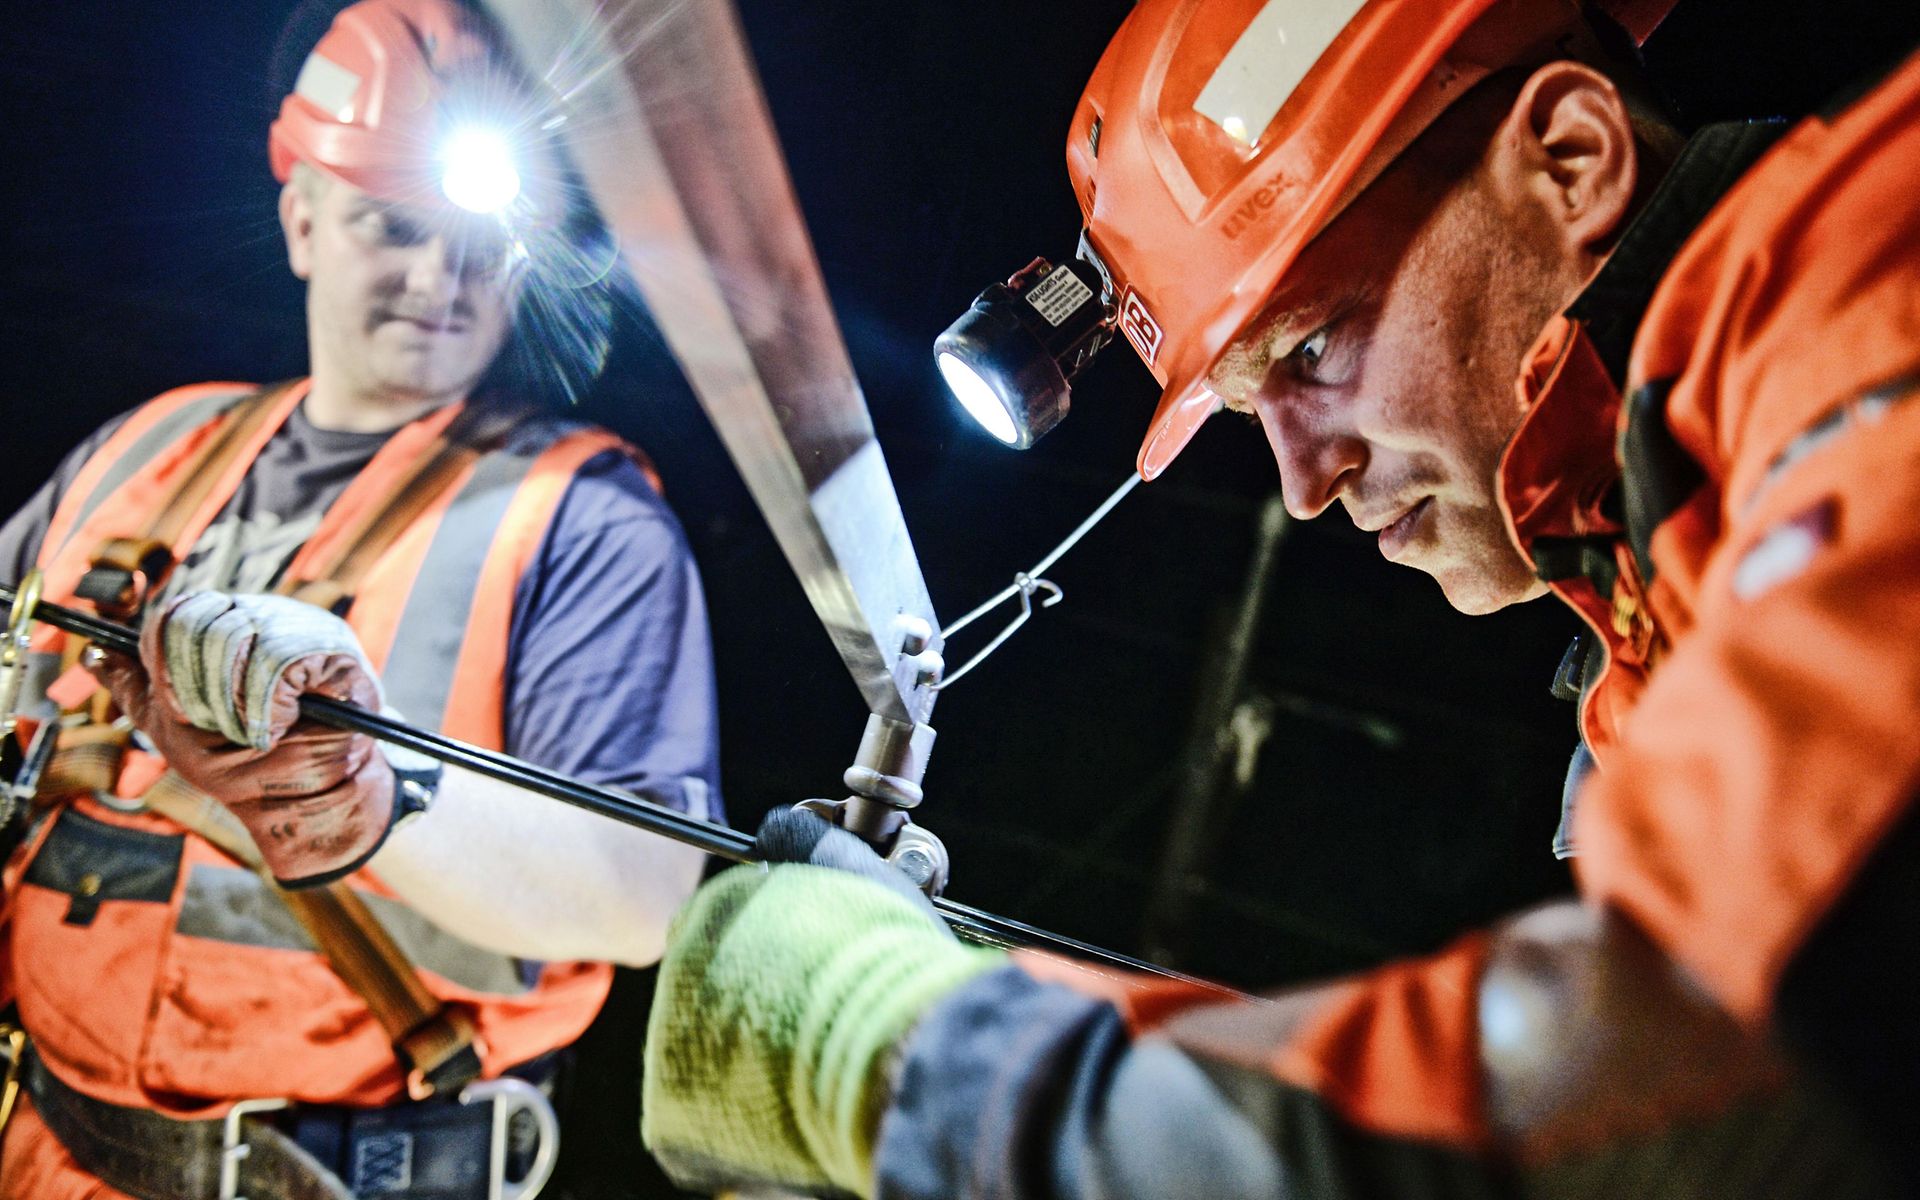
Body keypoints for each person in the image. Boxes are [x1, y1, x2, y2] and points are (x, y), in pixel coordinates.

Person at [638, 0, 1920, 1196]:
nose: (1305, 484)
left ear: (1573, 159)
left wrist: (906, 1053)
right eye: (1256, 408)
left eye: (1313, 347)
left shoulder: (1875, 294)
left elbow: (1699, 1076)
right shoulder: (1664, 603)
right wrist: (1007, 1006)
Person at [0, 0, 720, 1196]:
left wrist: (373, 794)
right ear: (301, 222)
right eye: (394, 226)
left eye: (481, 240)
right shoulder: (150, 445)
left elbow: (641, 894)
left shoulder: (584, 520)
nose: (441, 275)